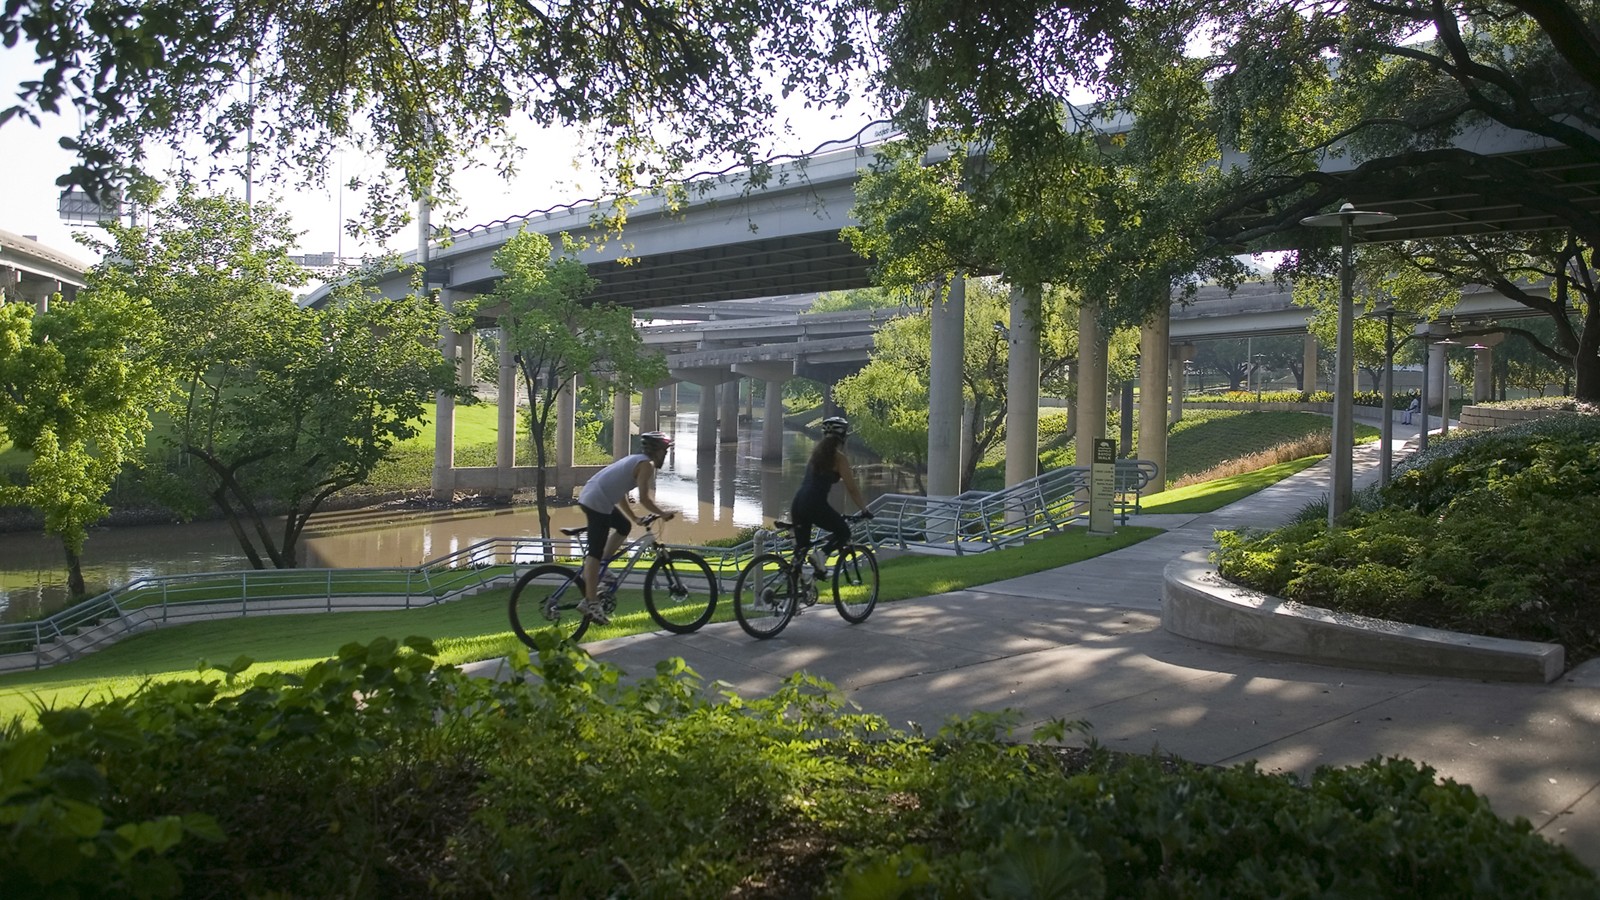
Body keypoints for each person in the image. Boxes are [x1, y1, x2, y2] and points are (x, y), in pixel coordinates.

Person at [574, 431, 676, 624]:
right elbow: (645, 499)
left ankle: (602, 568)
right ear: (657, 451)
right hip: (597, 501)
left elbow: (620, 492)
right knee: (594, 552)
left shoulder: (636, 461)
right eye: (665, 451)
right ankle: (591, 602)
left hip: (594, 495)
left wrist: (635, 518)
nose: (666, 455)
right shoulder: (646, 465)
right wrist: (662, 513)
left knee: (623, 526)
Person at [790, 415, 872, 579]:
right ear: (842, 438)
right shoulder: (839, 458)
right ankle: (821, 556)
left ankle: (792, 595)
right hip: (815, 504)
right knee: (843, 532)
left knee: (801, 549)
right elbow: (852, 488)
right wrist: (864, 510)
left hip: (798, 503)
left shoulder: (815, 455)